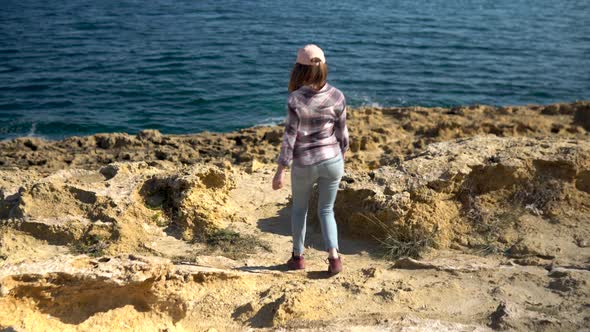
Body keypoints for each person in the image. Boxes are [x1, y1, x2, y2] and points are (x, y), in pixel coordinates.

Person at [272, 44, 349, 275]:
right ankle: (334, 258)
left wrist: (281, 170)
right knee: (326, 210)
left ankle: (298, 257)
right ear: (323, 67)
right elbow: (342, 134)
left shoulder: (295, 100)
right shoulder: (337, 95)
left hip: (305, 163)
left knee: (300, 210)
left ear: (299, 70)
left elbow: (290, 137)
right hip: (333, 160)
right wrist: (341, 157)